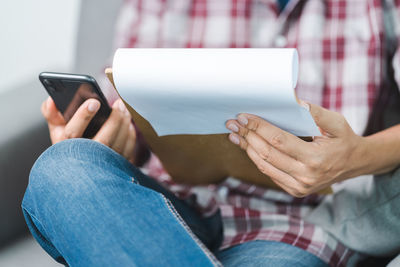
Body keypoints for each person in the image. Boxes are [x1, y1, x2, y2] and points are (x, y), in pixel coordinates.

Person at [22, 0, 400, 266]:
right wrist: (115, 141)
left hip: (297, 224)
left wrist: (357, 155)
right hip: (167, 204)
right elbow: (132, 102)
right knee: (64, 165)